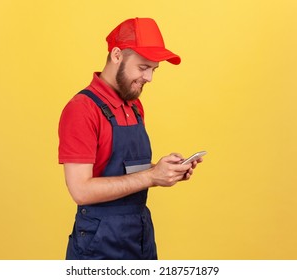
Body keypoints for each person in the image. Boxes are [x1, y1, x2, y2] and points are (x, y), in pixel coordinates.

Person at [58, 17, 202, 260]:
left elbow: (128, 173)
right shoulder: (82, 109)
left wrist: (164, 171)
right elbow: (80, 190)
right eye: (143, 67)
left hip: (140, 233)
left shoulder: (134, 106)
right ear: (116, 56)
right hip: (99, 243)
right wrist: (151, 176)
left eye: (154, 69)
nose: (149, 78)